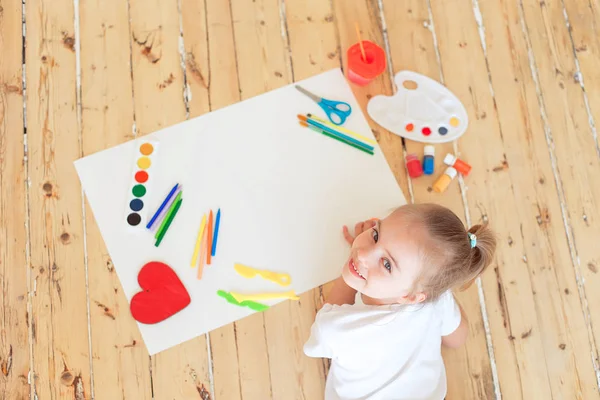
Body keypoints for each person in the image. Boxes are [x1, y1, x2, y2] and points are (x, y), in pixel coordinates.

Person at [303, 203, 496, 400]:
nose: (363, 254)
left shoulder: (336, 329)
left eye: (387, 264)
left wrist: (352, 269)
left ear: (412, 297)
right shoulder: (435, 299)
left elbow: (325, 321)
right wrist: (438, 286)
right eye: (376, 235)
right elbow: (457, 339)